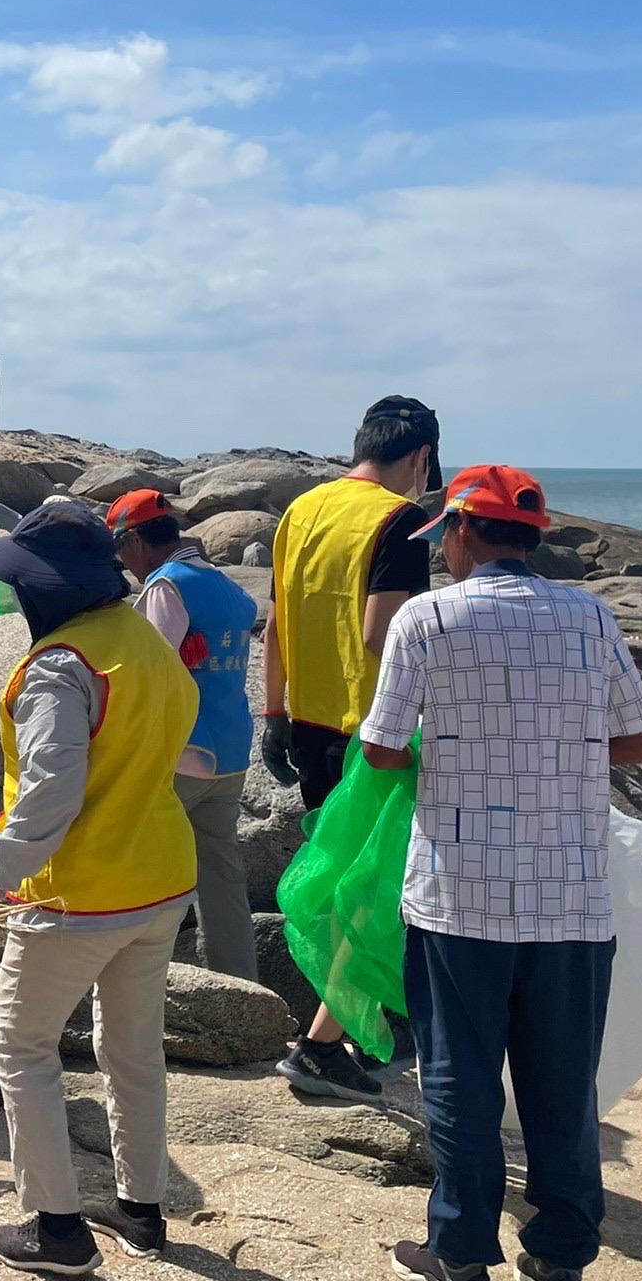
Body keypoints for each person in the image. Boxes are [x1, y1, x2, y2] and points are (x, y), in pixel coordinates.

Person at [357, 465, 642, 1281]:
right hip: (572, 895)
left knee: (458, 1078)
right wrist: (553, 754)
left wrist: (458, 751)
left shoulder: (429, 615)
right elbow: (633, 742)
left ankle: (461, 1259)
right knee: (564, 1088)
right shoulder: (590, 614)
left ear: (459, 532)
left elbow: (380, 749)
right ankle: (561, 1268)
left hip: (460, 891)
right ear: (532, 538)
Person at [0, 504, 200, 1275]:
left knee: (22, 1047)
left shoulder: (61, 666)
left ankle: (56, 1230)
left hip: (81, 895)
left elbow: (51, 794)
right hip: (161, 879)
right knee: (131, 1049)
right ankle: (141, 1208)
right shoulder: (144, 645)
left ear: (44, 590)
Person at [261, 395, 441, 1103]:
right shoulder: (400, 521)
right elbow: (382, 634)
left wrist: (272, 711)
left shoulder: (302, 512)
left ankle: (335, 1036)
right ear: (421, 457)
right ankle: (324, 1046)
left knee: (340, 888)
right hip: (375, 733)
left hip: (308, 721)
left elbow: (276, 620)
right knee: (375, 893)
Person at [107, 488, 260, 979]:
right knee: (221, 880)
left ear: (133, 540)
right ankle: (240, 990)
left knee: (139, 871)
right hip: (231, 749)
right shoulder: (229, 589)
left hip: (179, 753)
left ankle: (136, 984)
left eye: (118, 545)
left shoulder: (166, 586)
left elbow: (143, 674)